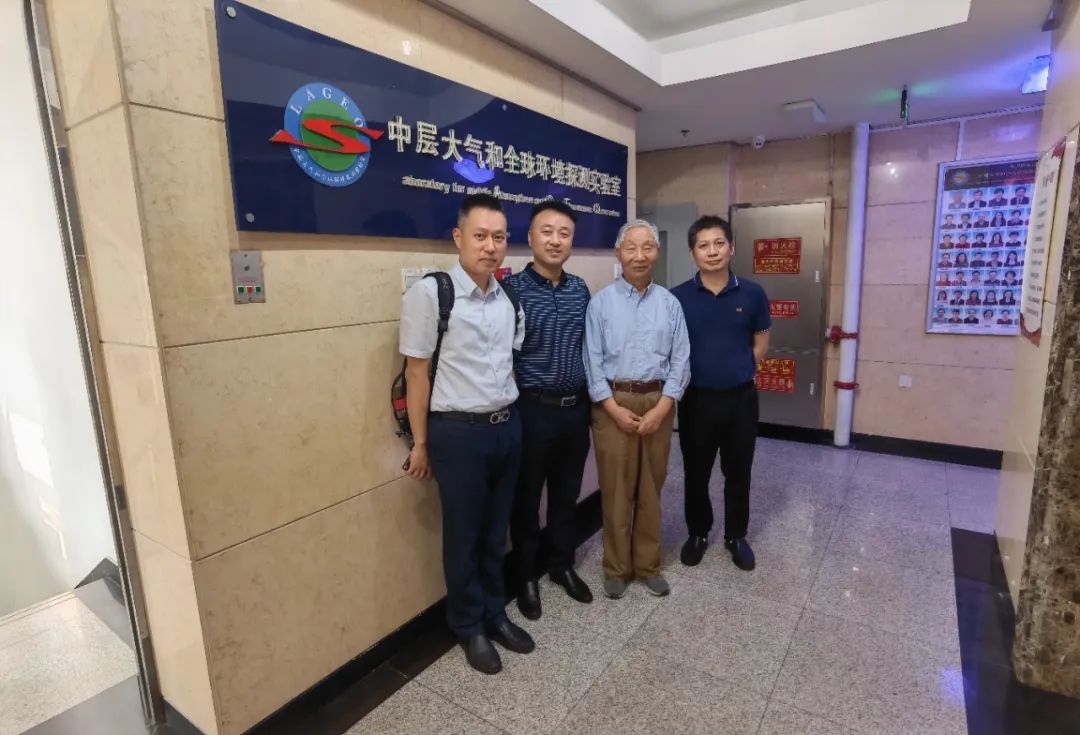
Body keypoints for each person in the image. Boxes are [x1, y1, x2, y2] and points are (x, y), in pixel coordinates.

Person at [399, 194, 533, 675]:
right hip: (457, 435)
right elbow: (417, 374)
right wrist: (421, 443)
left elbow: (509, 362)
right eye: (480, 236)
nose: (490, 246)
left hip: (506, 427)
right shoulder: (432, 294)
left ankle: (495, 613)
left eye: (499, 237)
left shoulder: (508, 296)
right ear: (458, 238)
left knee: (496, 533)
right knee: (463, 535)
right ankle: (468, 625)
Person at [584, 219, 690, 599]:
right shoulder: (600, 303)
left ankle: (648, 566)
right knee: (616, 491)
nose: (639, 255)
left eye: (647, 247)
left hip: (658, 402)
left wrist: (664, 407)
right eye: (631, 247)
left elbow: (681, 361)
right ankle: (616, 568)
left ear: (657, 252)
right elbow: (592, 361)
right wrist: (612, 409)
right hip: (613, 403)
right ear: (619, 253)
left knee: (650, 489)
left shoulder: (670, 304)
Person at [504, 201, 594, 621]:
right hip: (532, 409)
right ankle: (526, 575)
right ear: (530, 237)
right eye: (547, 231)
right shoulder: (512, 291)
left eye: (564, 233)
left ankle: (561, 564)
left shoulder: (580, 289)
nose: (555, 240)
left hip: (575, 410)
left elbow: (586, 347)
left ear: (571, 241)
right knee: (525, 499)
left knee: (566, 494)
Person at [671, 215, 771, 573]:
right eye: (703, 245)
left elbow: (760, 343)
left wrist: (737, 368)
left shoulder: (752, 294)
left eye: (718, 243)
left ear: (731, 248)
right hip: (696, 400)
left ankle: (736, 536)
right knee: (696, 473)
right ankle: (698, 533)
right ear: (692, 253)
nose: (712, 251)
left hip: (740, 400)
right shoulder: (677, 297)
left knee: (738, 472)